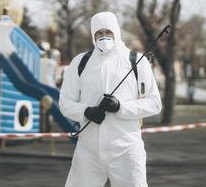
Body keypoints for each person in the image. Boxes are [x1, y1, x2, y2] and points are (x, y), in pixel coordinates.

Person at [59, 12, 162, 187]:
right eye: (99, 32)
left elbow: (154, 103)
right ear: (93, 34)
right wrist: (85, 112)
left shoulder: (137, 61)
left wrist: (120, 107)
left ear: (116, 32)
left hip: (127, 150)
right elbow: (65, 103)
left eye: (108, 32)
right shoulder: (80, 62)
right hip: (88, 151)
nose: (104, 36)